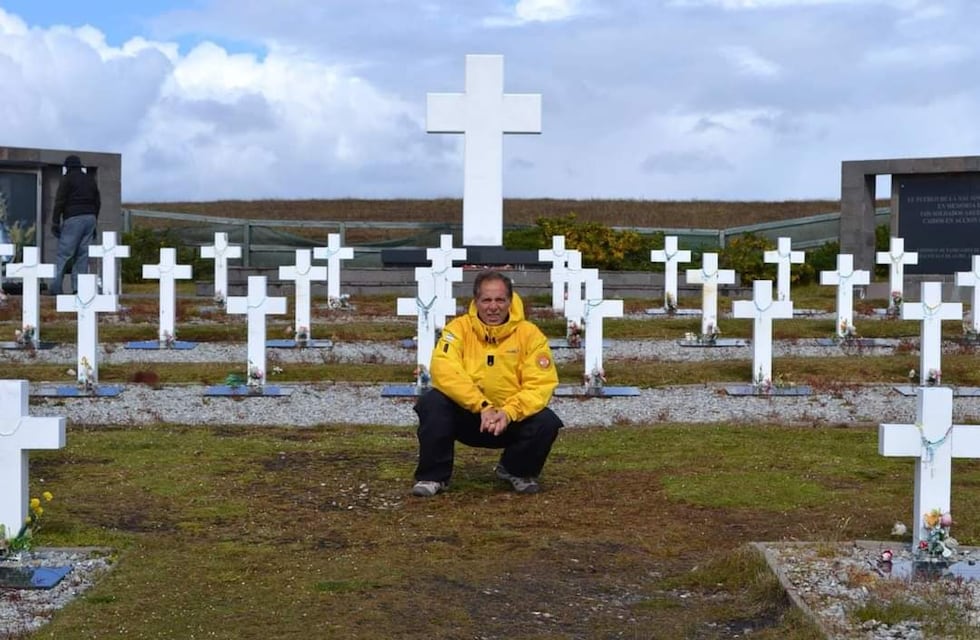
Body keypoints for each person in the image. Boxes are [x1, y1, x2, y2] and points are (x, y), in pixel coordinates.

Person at [412, 270, 564, 497]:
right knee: (432, 402)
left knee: (547, 421)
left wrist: (508, 412)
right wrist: (481, 406)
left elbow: (540, 384)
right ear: (476, 302)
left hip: (509, 418)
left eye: (500, 300)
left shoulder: (530, 335)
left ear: (510, 301)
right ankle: (433, 476)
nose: (493, 307)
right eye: (487, 300)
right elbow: (444, 370)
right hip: (468, 415)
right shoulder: (457, 329)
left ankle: (516, 470)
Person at [49, 154, 100, 295]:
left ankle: (56, 288)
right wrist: (94, 221)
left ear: (67, 167)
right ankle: (79, 288)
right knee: (82, 255)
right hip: (90, 218)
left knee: (65, 254)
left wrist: (55, 222)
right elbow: (98, 202)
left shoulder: (67, 179)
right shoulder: (90, 180)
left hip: (73, 218)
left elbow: (59, 201)